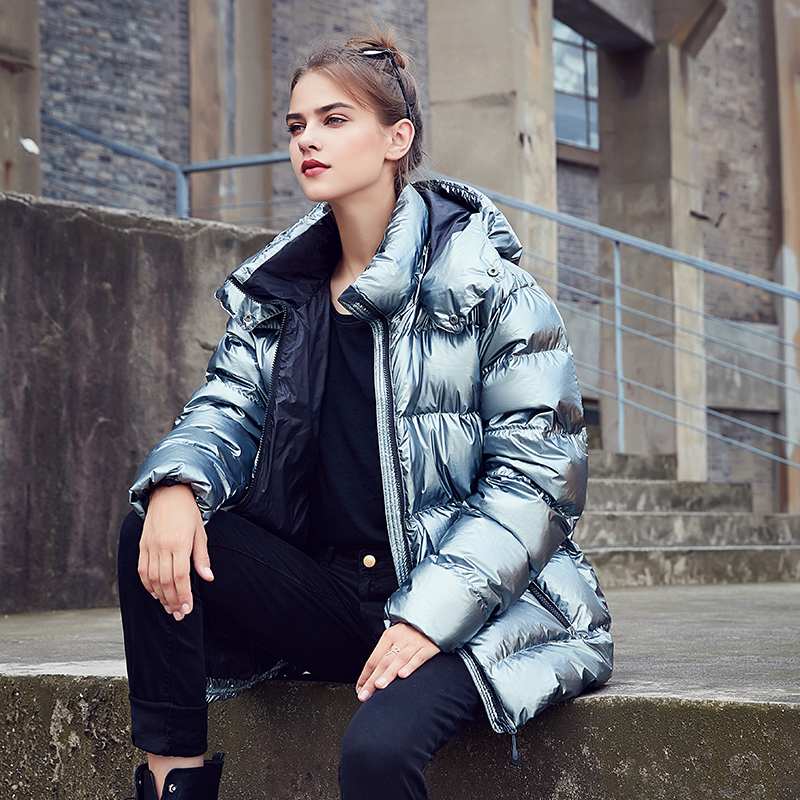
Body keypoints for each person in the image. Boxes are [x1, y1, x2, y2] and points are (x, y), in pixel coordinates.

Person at [118, 29, 613, 800]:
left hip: (477, 603)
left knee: (376, 754)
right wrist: (180, 483)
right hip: (335, 595)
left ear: (396, 139)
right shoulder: (280, 294)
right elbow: (225, 407)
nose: (307, 139)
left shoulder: (489, 290)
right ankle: (171, 783)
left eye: (334, 119)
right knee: (151, 528)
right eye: (296, 125)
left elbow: (538, 482)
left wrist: (428, 615)